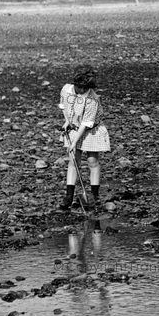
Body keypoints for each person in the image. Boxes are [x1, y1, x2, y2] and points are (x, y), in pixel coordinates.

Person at [58, 64, 110, 211]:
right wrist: (67, 121)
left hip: (90, 130)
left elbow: (87, 123)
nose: (83, 91)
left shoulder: (92, 99)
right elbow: (64, 106)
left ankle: (93, 196)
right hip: (74, 127)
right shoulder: (66, 90)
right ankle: (68, 197)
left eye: (86, 88)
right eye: (81, 87)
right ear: (76, 84)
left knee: (92, 161)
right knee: (73, 161)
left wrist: (74, 141)